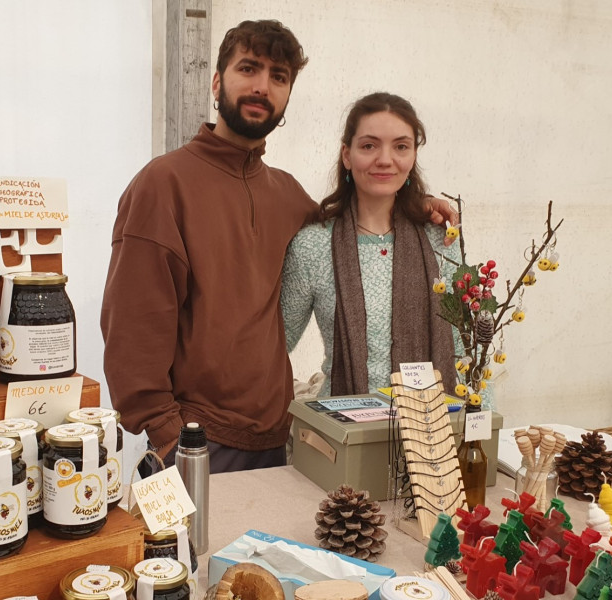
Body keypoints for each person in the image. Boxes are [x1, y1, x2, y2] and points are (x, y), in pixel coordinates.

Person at [102, 22, 458, 474]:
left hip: (276, 440)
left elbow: (355, 219)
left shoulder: (288, 196)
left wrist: (414, 206)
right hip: (195, 441)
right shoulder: (163, 184)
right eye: (248, 68)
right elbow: (133, 326)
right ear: (217, 82)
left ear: (288, 95)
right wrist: (169, 435)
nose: (261, 86)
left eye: (278, 76)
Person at [281, 92, 460, 397]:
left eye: (401, 146)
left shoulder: (440, 239)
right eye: (369, 146)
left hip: (432, 433)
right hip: (344, 431)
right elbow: (276, 344)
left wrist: (479, 426)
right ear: (347, 155)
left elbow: (462, 347)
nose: (385, 159)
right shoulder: (313, 245)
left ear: (413, 155)